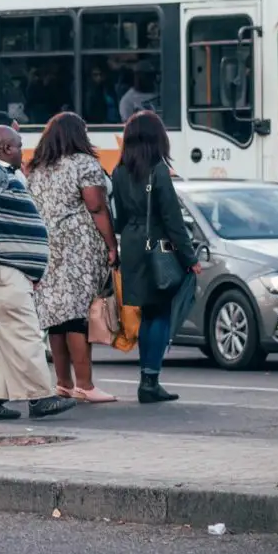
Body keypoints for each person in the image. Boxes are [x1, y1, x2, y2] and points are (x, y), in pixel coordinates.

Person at [0, 124, 76, 421]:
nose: (24, 152)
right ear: (7, 149)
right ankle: (40, 397)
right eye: (20, 146)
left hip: (1, 270)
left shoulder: (0, 174)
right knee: (25, 332)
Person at [27, 112, 118, 403]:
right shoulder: (84, 164)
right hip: (78, 247)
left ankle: (63, 382)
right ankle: (86, 385)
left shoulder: (37, 168)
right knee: (78, 316)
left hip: (46, 245)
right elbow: (96, 207)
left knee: (56, 317)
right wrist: (111, 244)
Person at [111, 110, 199, 404]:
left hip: (134, 247)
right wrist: (189, 259)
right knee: (160, 312)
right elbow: (173, 220)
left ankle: (147, 379)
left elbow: (119, 218)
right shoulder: (159, 171)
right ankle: (150, 380)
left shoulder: (119, 171)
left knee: (146, 312)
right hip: (158, 245)